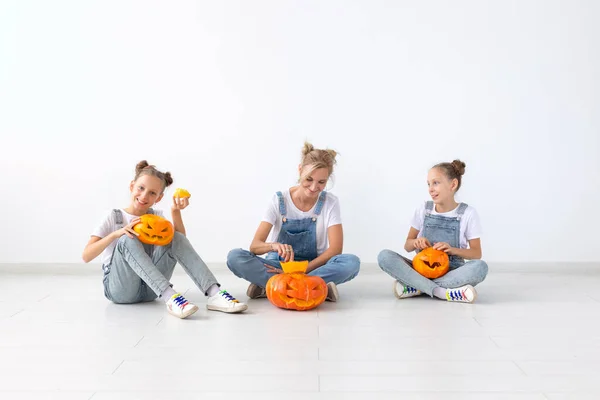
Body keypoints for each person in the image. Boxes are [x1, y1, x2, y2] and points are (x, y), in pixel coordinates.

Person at [82, 160, 247, 318]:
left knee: (172, 235)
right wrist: (116, 234)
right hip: (121, 290)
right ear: (132, 186)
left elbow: (180, 243)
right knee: (126, 239)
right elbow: (86, 256)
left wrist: (175, 211)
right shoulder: (113, 216)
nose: (144, 195)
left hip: (150, 291)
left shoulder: (157, 217)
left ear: (158, 198)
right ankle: (171, 298)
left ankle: (214, 293)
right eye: (141, 188)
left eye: (152, 193)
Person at [227, 142, 360, 302]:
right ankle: (315, 287)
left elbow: (335, 249)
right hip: (278, 266)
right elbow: (255, 246)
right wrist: (273, 246)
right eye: (309, 179)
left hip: (313, 265)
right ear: (300, 170)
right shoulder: (279, 200)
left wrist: (303, 270)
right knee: (235, 257)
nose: (313, 187)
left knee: (351, 263)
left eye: (321, 182)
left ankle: (275, 287)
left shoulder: (330, 202)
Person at [378, 160, 488, 303]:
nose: (430, 189)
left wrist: (452, 250)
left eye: (435, 183)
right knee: (384, 256)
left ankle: (417, 286)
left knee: (480, 268)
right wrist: (416, 242)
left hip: (451, 271)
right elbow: (407, 245)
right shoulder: (423, 209)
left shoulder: (468, 213)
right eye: (428, 184)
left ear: (452, 185)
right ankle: (442, 292)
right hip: (420, 269)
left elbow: (476, 253)